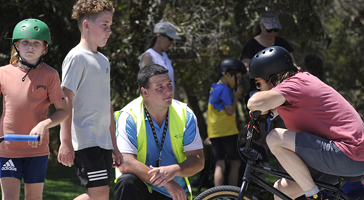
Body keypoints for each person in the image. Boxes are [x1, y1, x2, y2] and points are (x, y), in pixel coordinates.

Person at [0, 18, 69, 200]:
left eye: (36, 43)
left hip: (36, 149)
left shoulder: (50, 75)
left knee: (33, 198)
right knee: (9, 197)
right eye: (25, 42)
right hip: (8, 147)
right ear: (17, 45)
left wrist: (44, 125)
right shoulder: (3, 72)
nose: (30, 46)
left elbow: (63, 111)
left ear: (45, 48)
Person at [247, 46, 364, 200]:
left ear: (271, 77)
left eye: (258, 83)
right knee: (281, 191)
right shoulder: (297, 85)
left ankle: (313, 196)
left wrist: (260, 106)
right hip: (350, 155)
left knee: (274, 138)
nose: (258, 88)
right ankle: (311, 192)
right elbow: (275, 107)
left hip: (348, 153)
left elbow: (253, 102)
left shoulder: (294, 85)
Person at [58, 0, 122, 199]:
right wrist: (65, 141)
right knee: (99, 194)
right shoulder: (76, 57)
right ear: (86, 25)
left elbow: (107, 105)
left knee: (102, 195)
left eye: (110, 25)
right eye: (104, 25)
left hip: (102, 141)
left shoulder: (104, 61)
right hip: (85, 140)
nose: (109, 30)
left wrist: (114, 145)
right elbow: (64, 100)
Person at [114, 64, 205, 200]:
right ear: (145, 92)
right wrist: (166, 181)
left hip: (173, 195)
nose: (168, 90)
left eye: (169, 84)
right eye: (160, 87)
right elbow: (126, 162)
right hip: (143, 189)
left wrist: (174, 169)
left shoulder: (185, 114)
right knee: (126, 182)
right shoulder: (128, 116)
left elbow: (198, 160)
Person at [207, 58, 246, 187]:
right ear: (228, 74)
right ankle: (233, 193)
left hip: (215, 133)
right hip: (227, 132)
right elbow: (230, 111)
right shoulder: (224, 89)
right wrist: (236, 97)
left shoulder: (214, 88)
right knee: (235, 162)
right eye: (238, 77)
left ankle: (217, 194)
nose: (238, 81)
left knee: (220, 163)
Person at [241, 10, 296, 98]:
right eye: (269, 30)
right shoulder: (251, 45)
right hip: (259, 90)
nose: (272, 33)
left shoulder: (282, 43)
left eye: (275, 30)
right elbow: (244, 72)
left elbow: (293, 65)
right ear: (261, 26)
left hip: (282, 90)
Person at [139, 22, 181, 100]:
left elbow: (171, 82)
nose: (172, 42)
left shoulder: (165, 56)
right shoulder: (148, 56)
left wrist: (177, 103)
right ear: (159, 36)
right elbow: (149, 85)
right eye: (170, 39)